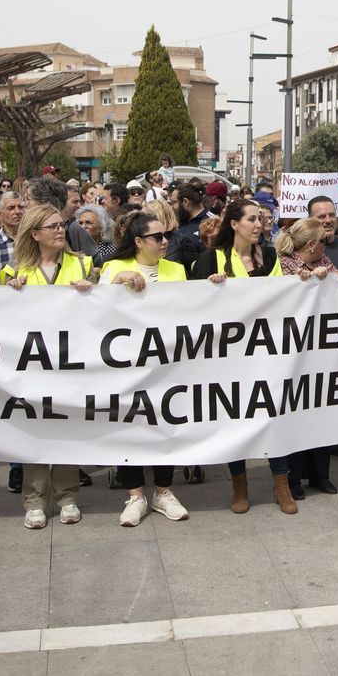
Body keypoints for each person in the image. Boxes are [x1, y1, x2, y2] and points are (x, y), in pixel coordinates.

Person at [189, 200, 297, 513]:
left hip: (267, 350)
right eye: (252, 219)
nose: (259, 225)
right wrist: (209, 290)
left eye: (261, 219)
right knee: (235, 416)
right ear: (234, 224)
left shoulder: (271, 255)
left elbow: (283, 296)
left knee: (274, 415)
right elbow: (190, 307)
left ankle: (281, 483)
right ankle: (240, 484)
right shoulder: (212, 258)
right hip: (229, 356)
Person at [1, 204, 96, 528]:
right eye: (52, 226)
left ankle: (67, 497)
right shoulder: (14, 271)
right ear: (35, 234)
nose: (60, 230)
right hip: (34, 366)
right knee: (36, 433)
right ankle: (34, 500)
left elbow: (105, 309)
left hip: (72, 364)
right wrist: (9, 293)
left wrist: (92, 290)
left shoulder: (83, 264)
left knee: (67, 430)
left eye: (61, 225)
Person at [100, 209, 191, 525]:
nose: (164, 241)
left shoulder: (176, 270)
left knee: (165, 424)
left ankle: (163, 492)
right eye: (157, 237)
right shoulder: (113, 267)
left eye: (166, 236)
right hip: (125, 365)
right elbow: (98, 309)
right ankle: (135, 496)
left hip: (165, 363)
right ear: (138, 241)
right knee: (129, 426)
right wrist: (117, 281)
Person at [274, 218, 338, 497]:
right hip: (294, 352)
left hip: (322, 350)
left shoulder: (326, 263)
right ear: (310, 245)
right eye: (322, 241)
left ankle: (321, 475)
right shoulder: (284, 266)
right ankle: (293, 479)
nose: (326, 246)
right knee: (296, 415)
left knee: (322, 412)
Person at [305, 196, 338, 271]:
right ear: (309, 220)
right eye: (322, 217)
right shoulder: (301, 250)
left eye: (332, 215)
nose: (328, 220)